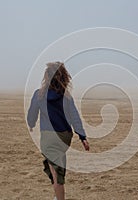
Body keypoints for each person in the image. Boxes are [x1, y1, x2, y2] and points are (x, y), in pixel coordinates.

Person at [27, 61, 89, 200]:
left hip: (49, 138)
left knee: (57, 177)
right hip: (65, 138)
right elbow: (74, 117)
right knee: (57, 166)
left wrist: (31, 124)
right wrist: (82, 136)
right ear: (63, 77)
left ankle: (59, 197)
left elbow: (32, 114)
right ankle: (57, 195)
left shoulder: (39, 94)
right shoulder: (66, 96)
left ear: (47, 77)